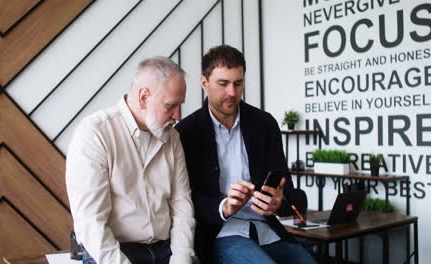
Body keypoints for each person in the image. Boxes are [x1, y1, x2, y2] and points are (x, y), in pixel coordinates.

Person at [175, 45, 315, 264]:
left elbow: (284, 185)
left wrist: (279, 202)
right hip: (220, 232)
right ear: (204, 83)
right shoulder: (186, 132)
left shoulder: (265, 124)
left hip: (266, 227)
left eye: (238, 83)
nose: (232, 92)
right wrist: (224, 207)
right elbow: (183, 200)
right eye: (223, 84)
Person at [66, 57, 195, 264]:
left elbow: (182, 208)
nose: (178, 115)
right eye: (171, 106)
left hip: (166, 250)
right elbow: (91, 224)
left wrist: (181, 259)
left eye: (180, 105)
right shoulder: (95, 133)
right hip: (115, 253)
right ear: (144, 97)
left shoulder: (172, 138)